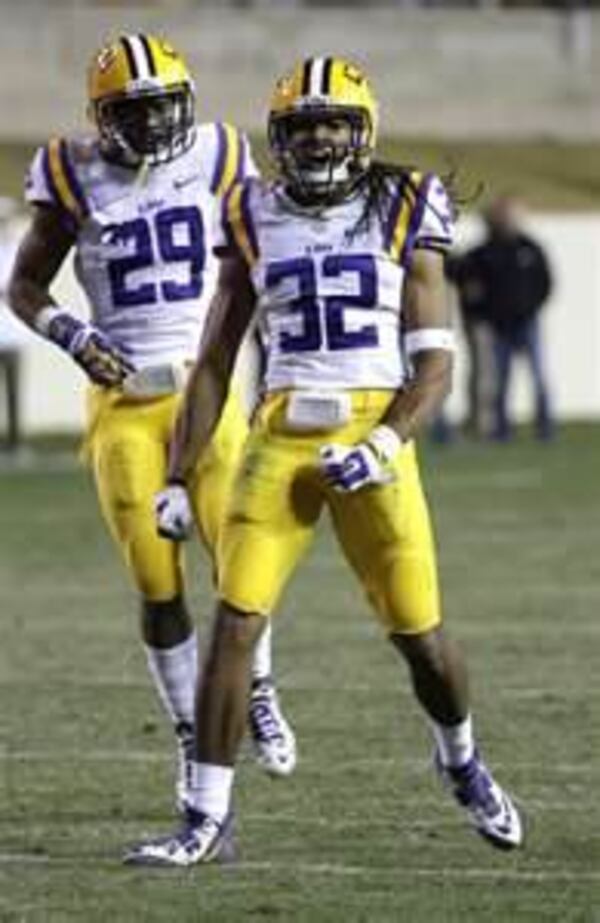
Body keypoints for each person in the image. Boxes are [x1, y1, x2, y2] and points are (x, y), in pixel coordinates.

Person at [124, 56, 523, 867]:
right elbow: (212, 360)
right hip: (279, 437)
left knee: (422, 637)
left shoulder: (407, 202)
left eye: (333, 122)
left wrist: (383, 443)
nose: (317, 137)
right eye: (302, 124)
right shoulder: (249, 211)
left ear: (362, 129)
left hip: (377, 435)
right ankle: (207, 815)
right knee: (235, 623)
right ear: (281, 136)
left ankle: (461, 760)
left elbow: (436, 363)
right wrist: (175, 472)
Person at [8, 34, 296, 806]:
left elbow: (260, 254)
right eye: (133, 111)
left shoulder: (222, 153)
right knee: (156, 580)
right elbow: (24, 285)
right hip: (124, 402)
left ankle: (258, 689)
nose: (153, 124)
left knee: (240, 561)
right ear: (102, 115)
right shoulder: (69, 170)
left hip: (208, 391)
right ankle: (185, 729)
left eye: (164, 106)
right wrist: (73, 334)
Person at [451, 194, 554, 441]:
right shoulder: (482, 253)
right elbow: (461, 277)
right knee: (501, 379)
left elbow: (546, 282)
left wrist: (531, 307)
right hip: (498, 326)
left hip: (528, 322)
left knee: (539, 376)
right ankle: (502, 429)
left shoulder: (530, 248)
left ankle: (545, 428)